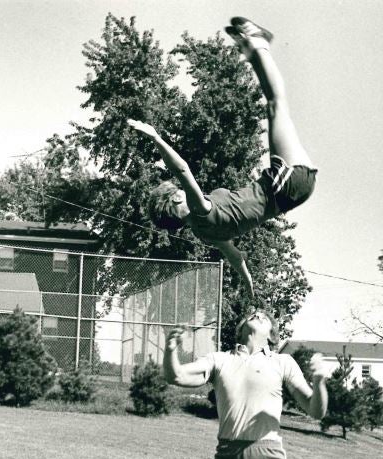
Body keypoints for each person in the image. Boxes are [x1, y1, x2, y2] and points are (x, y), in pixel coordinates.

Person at [128, 16, 318, 297]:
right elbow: (182, 169)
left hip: (291, 193)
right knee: (277, 106)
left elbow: (235, 256)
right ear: (177, 198)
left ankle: (253, 48)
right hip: (283, 184)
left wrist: (247, 281)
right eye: (178, 191)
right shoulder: (199, 209)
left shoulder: (205, 234)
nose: (182, 190)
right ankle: (257, 45)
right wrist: (156, 138)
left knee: (274, 107)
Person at [163, 309, 336, 459]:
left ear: (273, 335)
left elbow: (316, 410)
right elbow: (177, 376)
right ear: (241, 327)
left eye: (265, 317)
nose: (259, 314)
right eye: (254, 314)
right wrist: (171, 350)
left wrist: (319, 383)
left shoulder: (282, 362)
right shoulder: (219, 359)